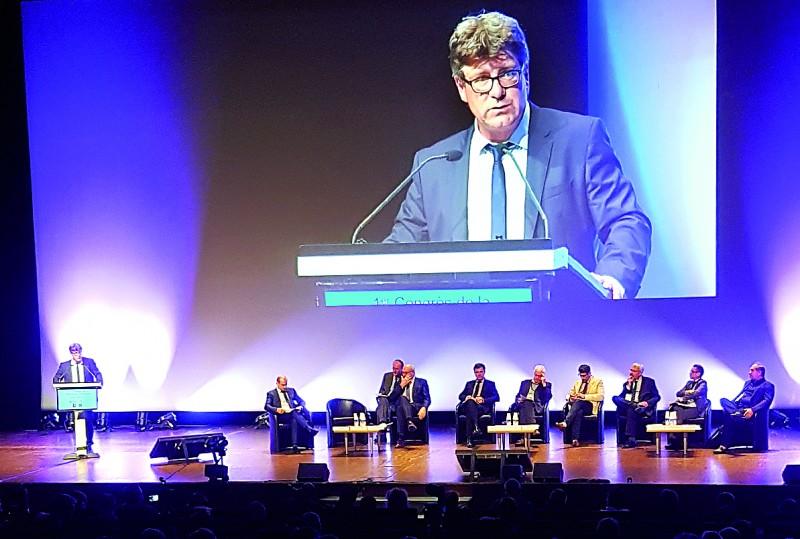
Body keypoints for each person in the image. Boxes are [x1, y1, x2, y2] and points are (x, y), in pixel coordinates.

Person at [384, 11, 651, 299]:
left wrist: (613, 277)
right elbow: (399, 255)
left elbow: (626, 221)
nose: (497, 91)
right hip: (464, 322)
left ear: (525, 74)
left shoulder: (579, 140)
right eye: (481, 79)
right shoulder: (433, 166)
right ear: (461, 87)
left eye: (506, 74)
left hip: (560, 318)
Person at [714, 362, 775, 454]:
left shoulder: (767, 385)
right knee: (723, 400)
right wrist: (733, 404)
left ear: (759, 372)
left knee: (729, 417)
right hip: (739, 408)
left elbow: (767, 401)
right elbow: (741, 396)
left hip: (750, 411)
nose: (749, 372)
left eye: (752, 370)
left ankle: (724, 444)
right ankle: (735, 413)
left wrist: (752, 409)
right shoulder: (747, 383)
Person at [53, 343, 103, 454]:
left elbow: (97, 373)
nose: (78, 355)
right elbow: (56, 378)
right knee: (75, 421)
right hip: (72, 398)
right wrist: (58, 386)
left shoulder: (88, 362)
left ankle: (89, 444)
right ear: (71, 353)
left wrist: (99, 382)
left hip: (87, 397)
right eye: (75, 353)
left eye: (79, 352)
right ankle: (79, 445)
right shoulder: (65, 366)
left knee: (88, 420)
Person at [264, 375, 318, 452]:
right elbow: (267, 406)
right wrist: (276, 409)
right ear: (277, 384)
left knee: (294, 418)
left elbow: (301, 401)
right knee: (294, 414)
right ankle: (309, 429)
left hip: (292, 413)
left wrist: (301, 406)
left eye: (286, 384)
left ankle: (294, 445)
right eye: (283, 385)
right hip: (281, 415)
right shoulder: (271, 393)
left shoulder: (291, 391)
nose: (285, 387)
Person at [612, 363, 660, 448]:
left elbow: (657, 397)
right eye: (631, 370)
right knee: (615, 398)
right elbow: (621, 397)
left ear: (640, 372)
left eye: (634, 371)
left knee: (631, 410)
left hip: (642, 408)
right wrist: (628, 386)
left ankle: (631, 439)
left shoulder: (649, 382)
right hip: (632, 406)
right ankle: (634, 405)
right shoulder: (627, 383)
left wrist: (647, 403)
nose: (631, 373)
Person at [556, 364, 605, 447]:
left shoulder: (598, 382)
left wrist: (584, 396)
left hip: (590, 406)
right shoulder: (578, 383)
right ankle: (575, 439)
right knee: (578, 412)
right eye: (580, 375)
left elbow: (601, 396)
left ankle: (566, 422)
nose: (582, 378)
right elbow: (570, 394)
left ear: (589, 374)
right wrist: (571, 398)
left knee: (580, 402)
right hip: (578, 407)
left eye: (584, 376)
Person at [665, 364, 708, 450]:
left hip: (696, 408)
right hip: (687, 406)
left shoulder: (703, 383)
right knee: (675, 409)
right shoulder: (689, 383)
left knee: (678, 414)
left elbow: (696, 393)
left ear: (698, 373)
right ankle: (674, 440)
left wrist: (687, 394)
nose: (690, 373)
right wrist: (688, 392)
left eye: (692, 371)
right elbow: (678, 393)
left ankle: (676, 442)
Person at [457, 363, 500, 447]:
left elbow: (496, 397)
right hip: (468, 406)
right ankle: (476, 427)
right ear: (474, 373)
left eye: (481, 372)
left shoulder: (490, 384)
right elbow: (460, 396)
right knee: (470, 402)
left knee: (470, 412)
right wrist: (467, 397)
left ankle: (469, 438)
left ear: (484, 372)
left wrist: (483, 400)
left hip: (481, 407)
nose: (479, 374)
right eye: (477, 372)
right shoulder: (469, 384)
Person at [394, 364, 431, 448]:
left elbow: (427, 398)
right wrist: (401, 386)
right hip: (402, 407)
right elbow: (392, 397)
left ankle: (401, 439)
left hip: (416, 407)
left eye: (405, 373)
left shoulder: (421, 382)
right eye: (403, 373)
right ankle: (409, 421)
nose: (403, 375)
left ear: (412, 373)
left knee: (400, 407)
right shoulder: (399, 382)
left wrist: (424, 407)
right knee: (401, 402)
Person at [376, 359, 404, 424]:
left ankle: (383, 424)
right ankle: (382, 423)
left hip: (396, 401)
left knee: (382, 406)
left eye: (397, 369)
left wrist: (401, 385)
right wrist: (381, 394)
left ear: (401, 369)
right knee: (383, 400)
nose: (394, 371)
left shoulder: (403, 379)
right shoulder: (387, 376)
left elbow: (399, 394)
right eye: (393, 368)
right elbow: (382, 389)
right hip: (385, 399)